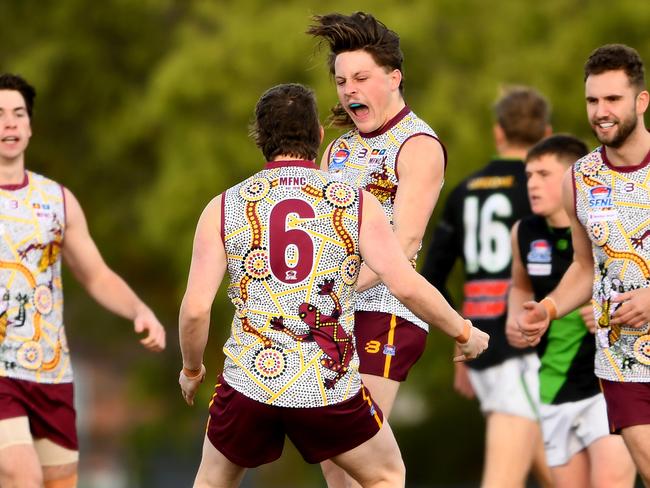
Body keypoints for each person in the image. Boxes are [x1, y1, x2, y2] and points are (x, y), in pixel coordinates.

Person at [178, 83, 489, 488]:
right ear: (319, 136)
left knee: (211, 481)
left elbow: (196, 309)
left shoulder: (225, 206)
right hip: (325, 384)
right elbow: (404, 284)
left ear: (259, 137)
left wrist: (192, 368)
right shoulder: (353, 202)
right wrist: (463, 331)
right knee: (386, 476)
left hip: (250, 381)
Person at [0, 74, 166, 488]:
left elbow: (95, 274)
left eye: (18, 114)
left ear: (30, 126)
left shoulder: (56, 200)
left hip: (51, 373)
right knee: (21, 474)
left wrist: (138, 309)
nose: (9, 124)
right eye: (0, 115)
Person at [306, 13, 447, 486]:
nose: (349, 90)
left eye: (361, 78)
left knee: (358, 451)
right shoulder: (338, 150)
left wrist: (336, 289)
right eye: (342, 80)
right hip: (335, 312)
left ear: (393, 76)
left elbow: (404, 242)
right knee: (335, 461)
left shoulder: (418, 144)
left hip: (388, 309)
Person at [517, 44, 650, 486]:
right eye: (593, 101)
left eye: (613, 99)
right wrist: (549, 309)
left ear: (641, 101)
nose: (601, 112)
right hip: (620, 361)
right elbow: (583, 266)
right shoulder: (580, 178)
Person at [421, 86, 553, 488]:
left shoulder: (465, 191)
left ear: (498, 132)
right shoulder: (543, 191)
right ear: (547, 134)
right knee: (504, 479)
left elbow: (431, 278)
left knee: (559, 471)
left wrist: (459, 337)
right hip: (527, 348)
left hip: (480, 343)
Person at [506, 134, 636, 487]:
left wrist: (606, 310)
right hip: (553, 386)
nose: (531, 184)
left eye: (543, 175)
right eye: (528, 175)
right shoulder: (524, 232)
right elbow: (519, 285)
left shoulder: (607, 227)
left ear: (570, 180)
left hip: (606, 383)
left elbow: (632, 280)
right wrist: (516, 318)